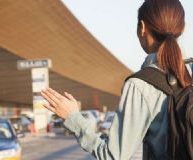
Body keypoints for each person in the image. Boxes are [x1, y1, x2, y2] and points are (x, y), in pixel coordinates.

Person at [41, 0, 193, 159]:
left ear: (142, 28)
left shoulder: (141, 85)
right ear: (181, 28)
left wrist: (73, 117)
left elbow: (113, 155)